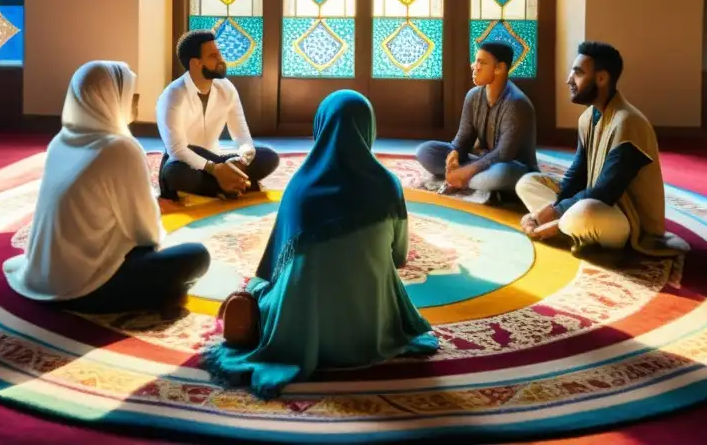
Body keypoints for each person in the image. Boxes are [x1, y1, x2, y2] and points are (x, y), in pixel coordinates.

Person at [202, 90, 439, 399]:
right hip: (371, 330)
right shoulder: (388, 185)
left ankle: (257, 313)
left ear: (321, 127)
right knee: (382, 276)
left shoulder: (301, 188)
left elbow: (275, 263)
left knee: (267, 289)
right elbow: (398, 256)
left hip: (302, 328)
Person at [4, 60, 211, 314]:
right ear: (109, 99)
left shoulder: (60, 142)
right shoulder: (119, 148)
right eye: (131, 96)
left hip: (44, 275)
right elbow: (147, 232)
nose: (136, 103)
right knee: (196, 255)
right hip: (90, 287)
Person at [515, 41, 689, 257]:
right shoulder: (587, 117)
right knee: (528, 183)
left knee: (586, 212)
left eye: (577, 73)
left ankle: (569, 227)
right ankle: (572, 229)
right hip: (593, 202)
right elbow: (577, 174)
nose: (569, 80)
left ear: (602, 78)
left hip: (623, 218)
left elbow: (606, 191)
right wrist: (551, 208)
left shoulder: (628, 122)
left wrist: (553, 211)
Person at [156, 30, 279, 201]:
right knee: (176, 174)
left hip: (218, 158)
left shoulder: (226, 88)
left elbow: (242, 135)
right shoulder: (173, 95)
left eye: (219, 54)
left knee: (268, 157)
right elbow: (177, 149)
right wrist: (215, 169)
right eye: (213, 56)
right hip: (185, 162)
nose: (221, 60)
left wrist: (240, 160)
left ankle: (223, 184)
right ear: (195, 63)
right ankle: (231, 184)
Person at [415, 41, 538, 202]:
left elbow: (503, 154)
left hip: (511, 167)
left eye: (482, 62)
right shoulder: (473, 96)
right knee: (426, 151)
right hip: (481, 160)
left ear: (499, 68)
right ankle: (471, 182)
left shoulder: (516, 103)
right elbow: (463, 137)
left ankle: (463, 180)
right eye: (475, 61)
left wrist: (465, 171)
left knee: (500, 175)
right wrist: (455, 154)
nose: (474, 66)